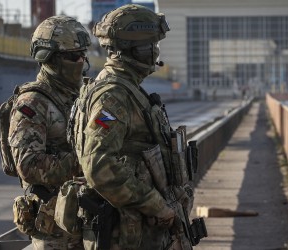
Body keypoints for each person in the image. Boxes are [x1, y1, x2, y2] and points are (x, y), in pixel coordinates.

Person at [70, 4, 197, 250]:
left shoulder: (125, 89)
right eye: (153, 46)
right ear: (139, 49)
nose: (156, 52)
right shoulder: (113, 96)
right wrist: (154, 203)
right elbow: (98, 165)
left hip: (139, 231)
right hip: (128, 235)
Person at [8, 15, 91, 249]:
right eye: (74, 56)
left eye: (83, 54)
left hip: (88, 219)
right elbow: (28, 165)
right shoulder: (33, 103)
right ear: (50, 58)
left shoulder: (82, 96)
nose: (81, 61)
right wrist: (88, 164)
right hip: (56, 229)